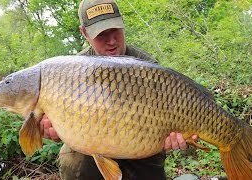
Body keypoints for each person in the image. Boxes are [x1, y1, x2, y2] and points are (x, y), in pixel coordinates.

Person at [40, 0, 198, 179]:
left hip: (140, 142)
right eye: (101, 34)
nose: (112, 41)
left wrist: (174, 137)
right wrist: (58, 128)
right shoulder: (73, 70)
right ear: (84, 32)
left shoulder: (149, 68)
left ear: (122, 22)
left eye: (114, 30)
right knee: (71, 159)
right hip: (95, 144)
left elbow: (175, 115)